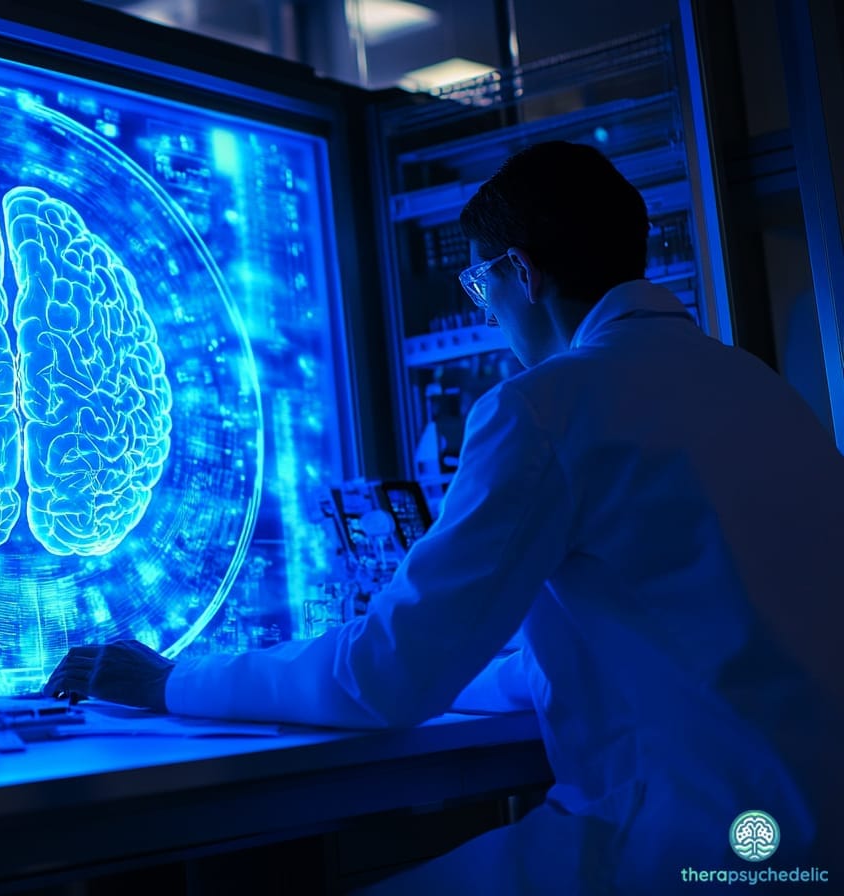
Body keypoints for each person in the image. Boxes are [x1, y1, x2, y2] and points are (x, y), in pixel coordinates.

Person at [44, 141, 844, 894]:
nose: (487, 312)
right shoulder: (759, 387)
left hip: (699, 846)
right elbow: (681, 633)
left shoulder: (548, 406)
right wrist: (465, 665)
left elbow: (384, 679)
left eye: (479, 288)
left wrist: (173, 679)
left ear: (520, 274)